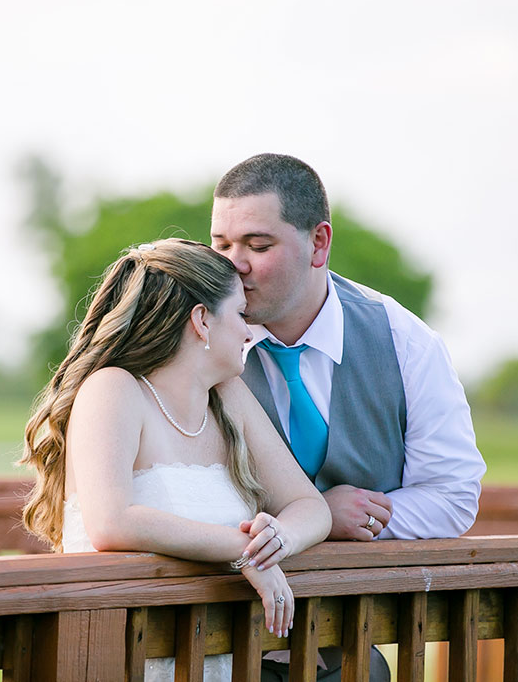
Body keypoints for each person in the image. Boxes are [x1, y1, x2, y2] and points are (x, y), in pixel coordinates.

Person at [211, 154, 487, 680]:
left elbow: (453, 494)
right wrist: (315, 514)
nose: (234, 264)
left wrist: (342, 525)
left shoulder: (406, 343)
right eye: (221, 245)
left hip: (347, 638)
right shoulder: (199, 342)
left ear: (319, 243)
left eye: (257, 245)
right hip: (214, 630)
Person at [19, 238, 332, 682]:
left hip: (212, 655)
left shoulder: (228, 399)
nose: (249, 332)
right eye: (240, 315)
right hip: (118, 651)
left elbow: (311, 506)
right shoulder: (114, 389)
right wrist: (245, 553)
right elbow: (112, 523)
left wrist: (277, 541)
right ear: (201, 321)